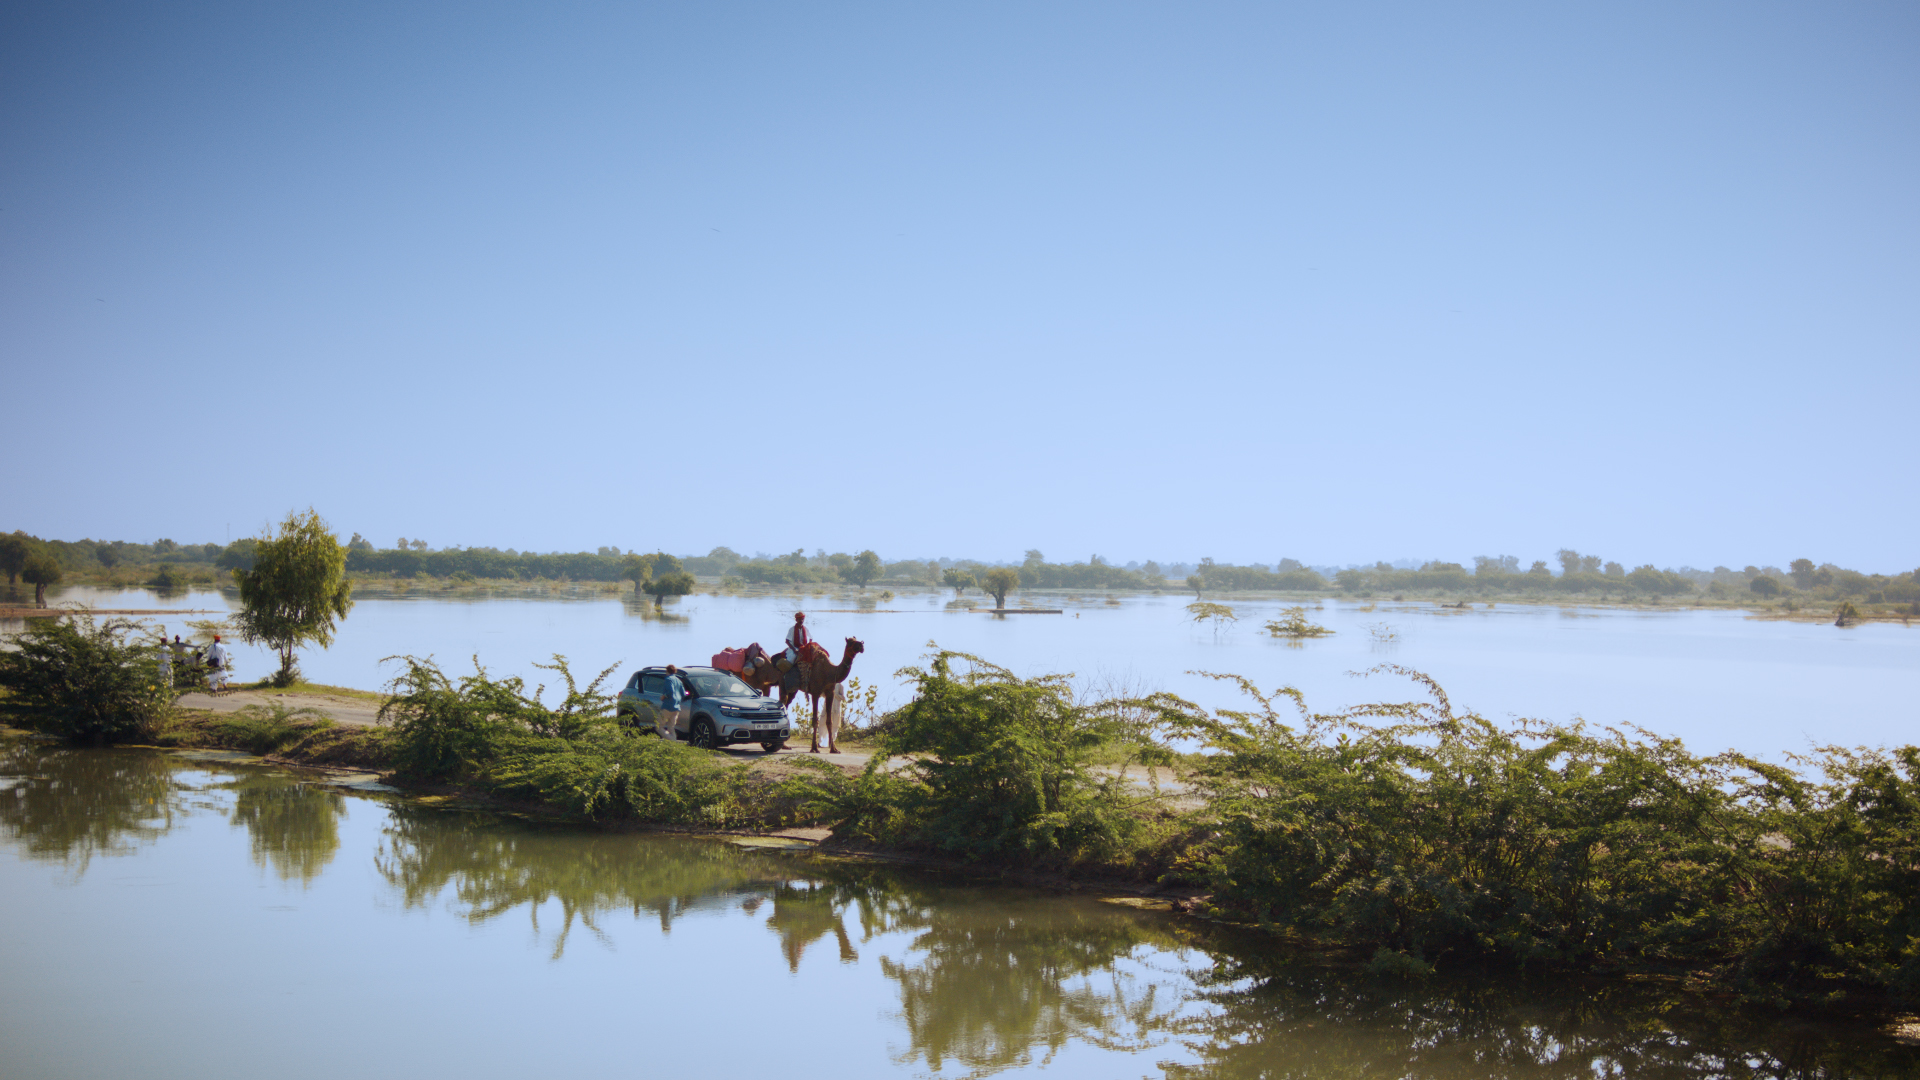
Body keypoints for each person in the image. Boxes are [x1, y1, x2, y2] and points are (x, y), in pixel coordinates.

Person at [658, 664, 686, 739]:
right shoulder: (679, 681)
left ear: (667, 671)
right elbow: (683, 693)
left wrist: (663, 696)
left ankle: (672, 741)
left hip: (667, 706)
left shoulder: (668, 679)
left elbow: (670, 691)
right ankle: (673, 744)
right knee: (671, 728)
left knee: (659, 727)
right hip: (677, 707)